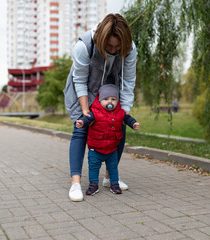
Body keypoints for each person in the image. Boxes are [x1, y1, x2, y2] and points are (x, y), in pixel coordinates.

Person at [63, 13, 137, 201]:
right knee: (81, 129)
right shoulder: (84, 46)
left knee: (118, 128)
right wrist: (85, 109)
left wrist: (125, 109)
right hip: (85, 90)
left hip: (110, 93)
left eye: (117, 46)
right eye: (109, 46)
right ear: (101, 39)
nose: (113, 50)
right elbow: (79, 79)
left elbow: (128, 80)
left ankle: (110, 177)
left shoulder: (130, 49)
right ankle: (76, 183)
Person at [76, 84, 140, 196]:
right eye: (106, 99)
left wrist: (133, 123)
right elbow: (88, 118)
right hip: (95, 149)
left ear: (117, 101)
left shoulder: (120, 112)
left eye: (113, 99)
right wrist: (82, 122)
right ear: (100, 100)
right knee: (93, 168)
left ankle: (114, 183)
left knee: (113, 167)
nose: (110, 102)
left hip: (112, 149)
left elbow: (127, 118)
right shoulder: (95, 112)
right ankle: (93, 185)